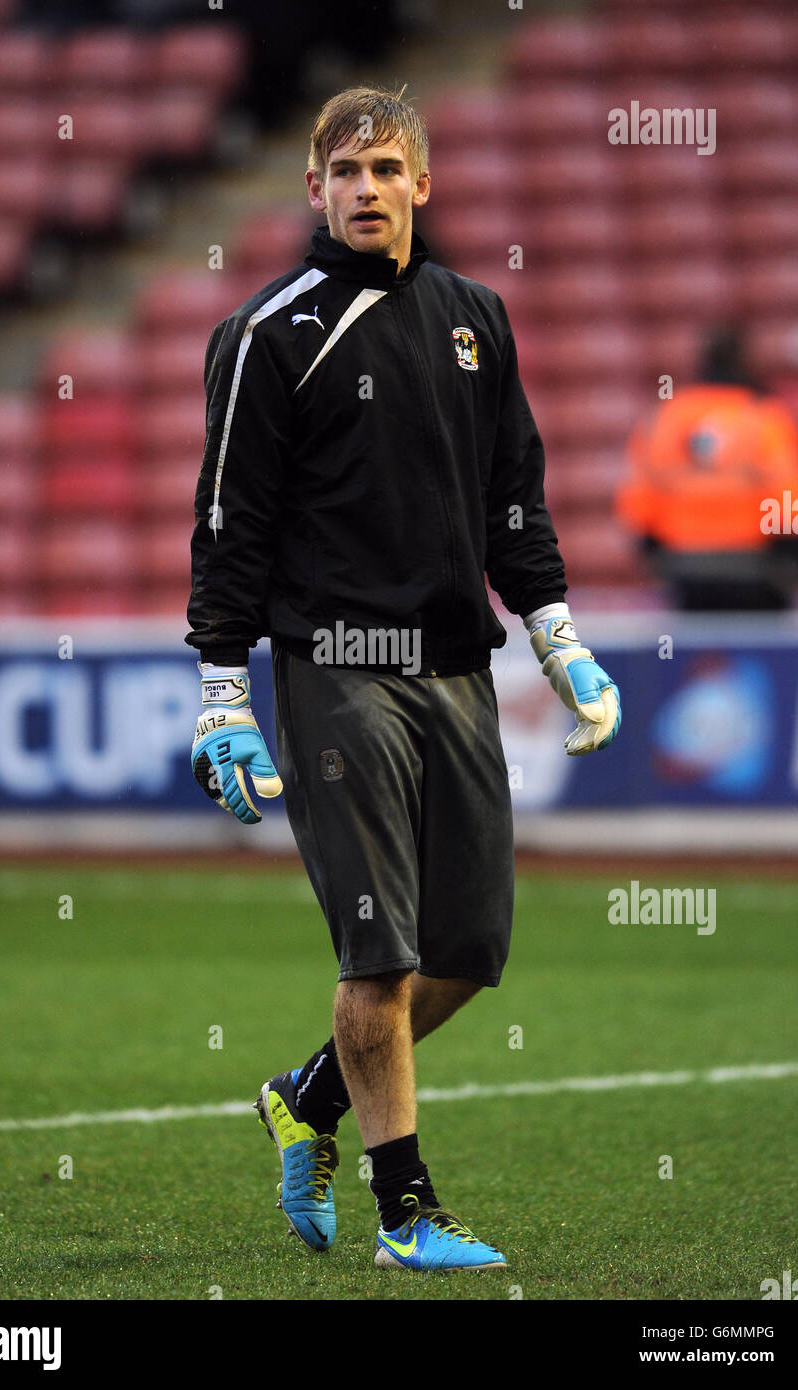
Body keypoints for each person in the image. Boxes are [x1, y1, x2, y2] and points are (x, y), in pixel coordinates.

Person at [186, 86, 621, 1272]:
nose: (365, 189)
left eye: (386, 169)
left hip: (454, 668)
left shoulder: (475, 316)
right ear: (313, 189)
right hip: (334, 670)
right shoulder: (269, 332)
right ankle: (406, 1214)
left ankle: (302, 1098)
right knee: (375, 954)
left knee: (468, 951)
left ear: (421, 184)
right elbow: (230, 526)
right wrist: (223, 696)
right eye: (345, 172)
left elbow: (511, 499)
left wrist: (556, 633)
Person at [616, 327, 798, 610]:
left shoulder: (663, 417)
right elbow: (795, 505)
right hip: (755, 571)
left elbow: (639, 508)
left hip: (685, 572)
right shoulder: (766, 417)